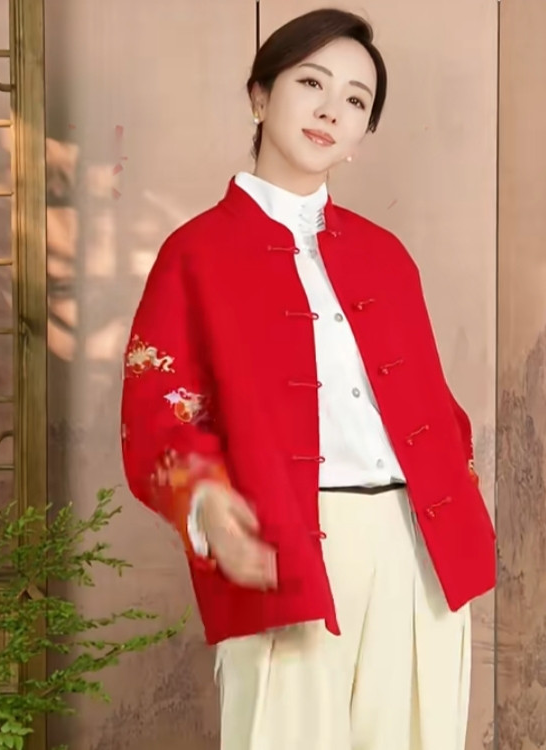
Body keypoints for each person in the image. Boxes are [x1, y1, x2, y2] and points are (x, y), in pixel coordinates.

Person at [120, 8, 496, 750]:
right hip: (285, 545)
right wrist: (212, 510)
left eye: (356, 100)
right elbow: (158, 414)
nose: (331, 110)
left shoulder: (387, 257)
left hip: (420, 552)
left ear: (361, 135)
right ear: (260, 96)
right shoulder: (194, 254)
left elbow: (436, 410)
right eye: (311, 83)